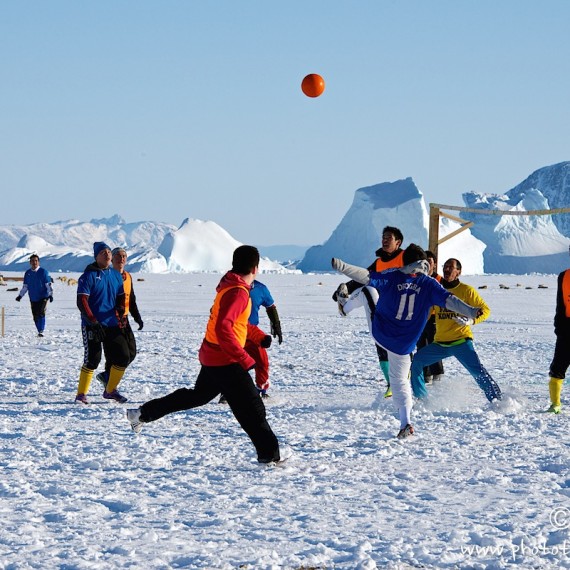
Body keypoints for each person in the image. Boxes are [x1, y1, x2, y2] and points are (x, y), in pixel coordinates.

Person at [126, 245, 281, 464]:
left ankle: (141, 414)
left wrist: (258, 336)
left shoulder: (231, 286)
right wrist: (244, 357)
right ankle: (270, 459)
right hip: (225, 360)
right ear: (256, 268)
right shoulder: (238, 292)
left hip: (213, 355)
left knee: (198, 396)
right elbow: (224, 328)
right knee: (252, 408)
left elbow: (237, 322)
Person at [332, 245, 483, 439]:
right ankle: (406, 423)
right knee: (400, 382)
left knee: (367, 292)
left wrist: (342, 266)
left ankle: (344, 308)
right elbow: (450, 300)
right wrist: (470, 311)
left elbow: (366, 276)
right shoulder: (429, 284)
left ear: (404, 262)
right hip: (404, 346)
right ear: (426, 264)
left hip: (382, 333)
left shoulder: (393, 275)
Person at [409, 258, 502, 404]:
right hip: (440, 343)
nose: (446, 269)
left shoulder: (467, 291)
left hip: (461, 341)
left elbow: (485, 310)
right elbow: (426, 313)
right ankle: (422, 400)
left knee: (478, 373)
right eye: (445, 266)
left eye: (450, 267)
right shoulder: (437, 290)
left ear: (458, 272)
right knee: (417, 363)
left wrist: (471, 320)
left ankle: (497, 401)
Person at [333, 226, 405, 398]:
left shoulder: (405, 258)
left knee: (401, 347)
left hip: (402, 307)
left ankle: (412, 381)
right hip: (383, 307)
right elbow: (363, 277)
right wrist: (346, 288)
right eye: (383, 237)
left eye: (389, 237)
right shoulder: (379, 263)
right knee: (380, 341)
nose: (385, 240)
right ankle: (391, 384)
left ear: (398, 242)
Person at [75, 242, 131, 404]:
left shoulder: (115, 275)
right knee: (93, 359)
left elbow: (121, 294)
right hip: (92, 324)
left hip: (112, 323)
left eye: (108, 252)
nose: (107, 255)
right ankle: (81, 394)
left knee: (123, 356)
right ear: (96, 256)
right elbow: (82, 301)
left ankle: (110, 390)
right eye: (103, 253)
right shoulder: (88, 276)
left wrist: (120, 308)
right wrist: (93, 321)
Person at [219, 279, 283, 403]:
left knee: (262, 362)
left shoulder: (261, 288)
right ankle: (227, 392)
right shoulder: (231, 286)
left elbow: (270, 306)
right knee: (234, 363)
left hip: (252, 333)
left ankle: (261, 390)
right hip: (235, 331)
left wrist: (276, 324)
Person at [96, 247, 144, 389]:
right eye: (118, 256)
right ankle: (109, 382)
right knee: (115, 354)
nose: (121, 259)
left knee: (131, 352)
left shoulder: (128, 277)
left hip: (124, 319)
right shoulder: (106, 275)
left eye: (124, 256)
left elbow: (132, 299)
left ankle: (107, 376)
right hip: (109, 320)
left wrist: (137, 317)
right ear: (112, 259)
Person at [415, 250, 444, 385]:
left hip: (434, 318)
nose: (427, 265)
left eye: (430, 262)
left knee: (434, 346)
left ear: (435, 264)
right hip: (420, 317)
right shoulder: (417, 279)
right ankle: (425, 374)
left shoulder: (439, 280)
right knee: (421, 346)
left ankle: (437, 373)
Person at [546, 255, 570, 414]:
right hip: (567, 329)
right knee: (557, 368)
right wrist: (559, 327)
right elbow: (560, 304)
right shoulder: (564, 276)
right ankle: (555, 404)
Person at [15, 254, 53, 337]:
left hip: (43, 296)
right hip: (33, 297)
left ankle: (41, 331)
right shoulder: (28, 273)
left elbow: (48, 285)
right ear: (30, 262)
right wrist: (20, 296)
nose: (34, 262)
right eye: (32, 261)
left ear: (38, 262)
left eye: (36, 261)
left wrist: (50, 295)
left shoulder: (44, 272)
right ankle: (39, 330)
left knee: (41, 312)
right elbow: (25, 286)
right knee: (35, 315)